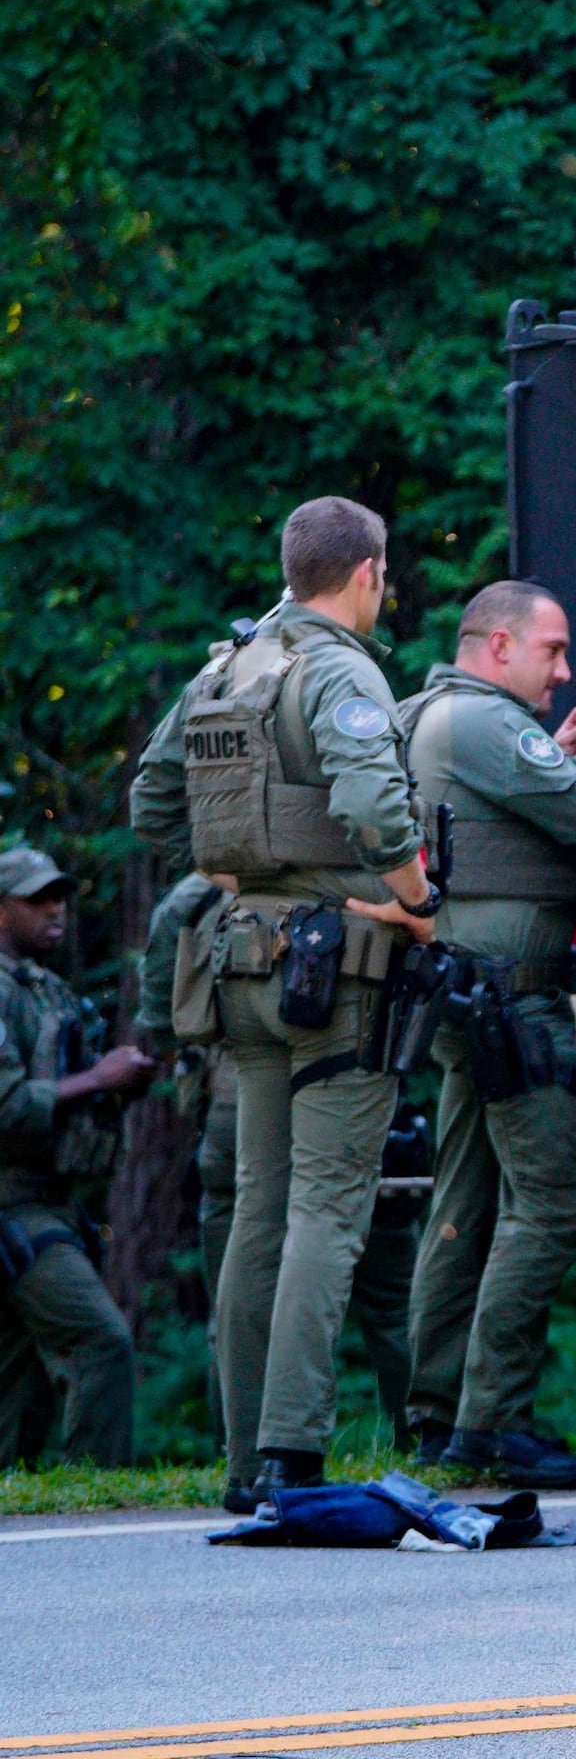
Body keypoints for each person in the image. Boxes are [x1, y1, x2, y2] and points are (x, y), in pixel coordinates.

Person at [127, 496, 440, 1507]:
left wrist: (242, 873)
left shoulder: (229, 665)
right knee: (327, 1211)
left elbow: (151, 802)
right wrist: (417, 905)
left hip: (239, 967)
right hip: (333, 965)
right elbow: (371, 804)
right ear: (368, 574)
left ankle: (239, 1463)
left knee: (258, 1204)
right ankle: (293, 1452)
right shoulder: (341, 668)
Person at [395, 581, 576, 1489]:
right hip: (508, 1004)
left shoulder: (447, 717)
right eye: (552, 651)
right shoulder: (482, 721)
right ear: (497, 647)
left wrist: (559, 757)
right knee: (552, 1201)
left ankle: (438, 1412)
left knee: (465, 1204)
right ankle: (490, 1426)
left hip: (470, 998)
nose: (564, 670)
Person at [151, 871, 421, 1449]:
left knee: (250, 1248)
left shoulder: (199, 892)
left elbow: (159, 1012)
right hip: (326, 1063)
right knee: (377, 1285)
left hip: (232, 1095)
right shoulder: (355, 872)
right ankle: (406, 1437)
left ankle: (241, 1450)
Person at [0, 850, 154, 1463]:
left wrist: (121, 1081)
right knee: (102, 1342)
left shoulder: (44, 988)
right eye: (36, 897)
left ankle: (29, 1516)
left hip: (51, 1202)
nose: (54, 907)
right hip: (15, 1205)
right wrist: (99, 1080)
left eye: (59, 895)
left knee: (17, 1382)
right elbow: (7, 1105)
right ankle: (99, 1492)